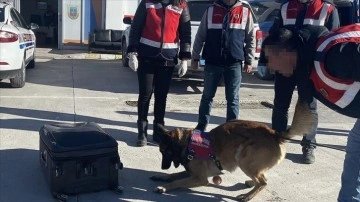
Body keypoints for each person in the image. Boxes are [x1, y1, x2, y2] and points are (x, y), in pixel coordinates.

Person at [262, 23, 360, 201]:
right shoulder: (308, 65)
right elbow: (305, 111)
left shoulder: (334, 56)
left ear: (287, 53)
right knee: (355, 149)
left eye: (271, 59)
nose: (271, 67)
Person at [263, 0, 340, 164]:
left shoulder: (327, 8)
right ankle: (276, 143)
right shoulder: (285, 7)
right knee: (281, 105)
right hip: (285, 66)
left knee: (308, 106)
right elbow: (274, 34)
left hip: (309, 69)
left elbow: (334, 42)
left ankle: (308, 146)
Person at [127, 0, 191, 146]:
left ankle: (158, 132)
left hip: (168, 59)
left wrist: (184, 58)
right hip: (147, 57)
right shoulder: (147, 3)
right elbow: (136, 28)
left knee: (161, 97)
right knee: (145, 95)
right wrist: (132, 52)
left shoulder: (181, 5)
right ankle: (142, 132)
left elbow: (185, 32)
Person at [191, 0, 256, 131]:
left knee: (233, 98)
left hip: (234, 62)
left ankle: (232, 128)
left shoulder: (244, 11)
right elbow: (200, 35)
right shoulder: (210, 11)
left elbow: (250, 38)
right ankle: (202, 125)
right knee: (207, 96)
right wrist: (195, 57)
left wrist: (249, 60)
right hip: (212, 62)